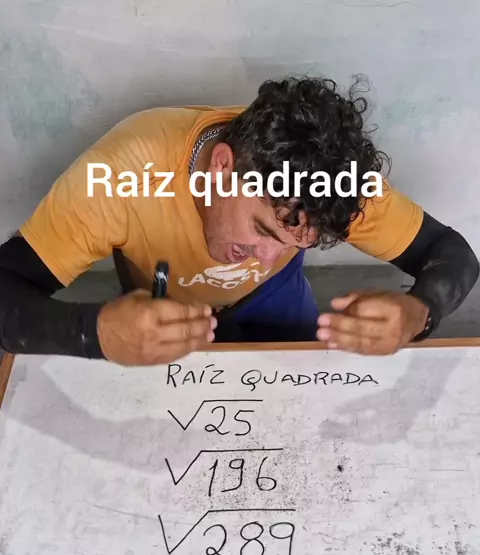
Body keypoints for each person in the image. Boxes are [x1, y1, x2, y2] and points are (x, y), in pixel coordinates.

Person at [0, 76, 478, 365]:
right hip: (164, 303)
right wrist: (92, 332)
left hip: (275, 296)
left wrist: (419, 313)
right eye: (262, 229)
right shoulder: (125, 174)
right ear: (222, 167)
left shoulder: (327, 182)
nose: (266, 257)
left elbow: (452, 253)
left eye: (296, 243)